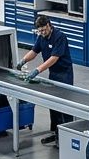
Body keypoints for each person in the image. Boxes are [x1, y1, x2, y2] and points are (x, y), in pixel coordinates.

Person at [19, 15, 74, 145]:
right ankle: (56, 133)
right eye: (40, 31)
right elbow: (34, 51)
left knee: (64, 104)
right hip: (53, 73)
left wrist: (38, 70)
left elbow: (54, 58)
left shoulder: (60, 36)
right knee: (53, 104)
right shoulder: (41, 37)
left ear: (49, 25)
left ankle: (68, 133)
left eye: (44, 30)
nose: (42, 33)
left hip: (64, 73)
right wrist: (23, 60)